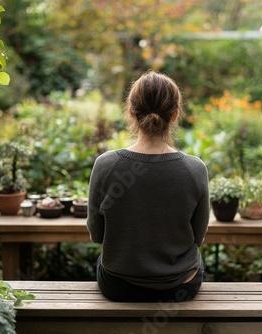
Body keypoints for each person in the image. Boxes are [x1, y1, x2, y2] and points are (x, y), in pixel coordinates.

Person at [87, 70, 210, 302]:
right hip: (180, 287)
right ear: (174, 115)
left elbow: (97, 234)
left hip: (119, 286)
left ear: (131, 112)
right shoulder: (195, 169)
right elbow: (198, 237)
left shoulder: (106, 166)